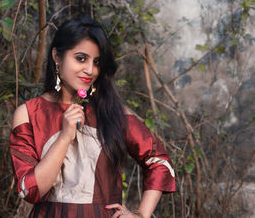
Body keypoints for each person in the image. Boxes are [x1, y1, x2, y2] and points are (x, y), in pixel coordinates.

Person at [10, 17, 175, 218]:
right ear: (57, 56)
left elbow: (159, 160)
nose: (90, 70)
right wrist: (64, 137)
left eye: (96, 62)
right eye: (81, 58)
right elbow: (29, 190)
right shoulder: (29, 113)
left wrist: (141, 215)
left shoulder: (112, 112)